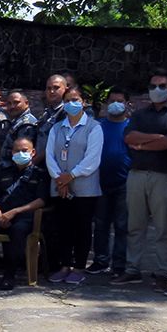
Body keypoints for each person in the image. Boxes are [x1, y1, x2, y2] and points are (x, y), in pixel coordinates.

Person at [116, 70, 167, 289]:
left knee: (163, 227)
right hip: (137, 174)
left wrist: (142, 144)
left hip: (163, 175)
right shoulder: (139, 114)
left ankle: (164, 270)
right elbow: (129, 137)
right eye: (153, 86)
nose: (156, 90)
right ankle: (132, 268)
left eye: (162, 86)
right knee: (135, 225)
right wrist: (156, 139)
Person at [0, 136, 49, 291]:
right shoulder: (4, 173)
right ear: (11, 153)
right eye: (17, 151)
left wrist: (14, 212)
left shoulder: (40, 174)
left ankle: (9, 275)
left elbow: (41, 201)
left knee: (17, 230)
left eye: (24, 151)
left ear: (33, 152)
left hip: (25, 217)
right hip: (1, 215)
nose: (20, 153)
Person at [45, 86, 104, 286]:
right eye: (68, 100)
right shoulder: (57, 127)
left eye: (76, 99)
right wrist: (59, 178)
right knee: (63, 228)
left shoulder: (94, 127)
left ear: (84, 102)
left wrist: (70, 176)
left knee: (82, 228)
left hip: (85, 189)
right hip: (60, 187)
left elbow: (92, 159)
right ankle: (64, 265)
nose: (72, 104)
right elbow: (50, 156)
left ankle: (79, 266)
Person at [88, 87, 131, 276]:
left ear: (128, 104)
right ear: (106, 104)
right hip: (100, 181)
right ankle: (100, 261)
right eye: (112, 100)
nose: (115, 104)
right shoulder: (97, 126)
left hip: (125, 182)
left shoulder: (131, 126)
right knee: (101, 224)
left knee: (122, 226)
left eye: (120, 100)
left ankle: (119, 264)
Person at [35, 73, 69, 165]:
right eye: (49, 88)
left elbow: (59, 143)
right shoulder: (46, 113)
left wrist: (36, 160)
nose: (52, 91)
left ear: (66, 90)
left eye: (56, 88)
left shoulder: (66, 113)